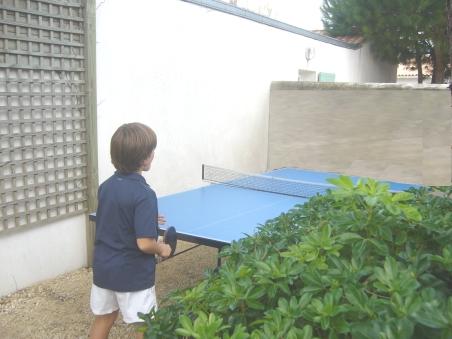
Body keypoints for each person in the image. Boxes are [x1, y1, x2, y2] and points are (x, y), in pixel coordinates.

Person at [89, 122, 171, 339]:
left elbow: (116, 214)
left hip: (104, 269)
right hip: (132, 274)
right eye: (151, 151)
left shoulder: (106, 186)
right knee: (144, 325)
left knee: (104, 318)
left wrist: (144, 217)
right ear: (144, 158)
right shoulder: (144, 193)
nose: (154, 154)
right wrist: (162, 248)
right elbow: (144, 243)